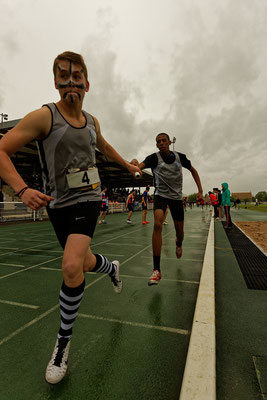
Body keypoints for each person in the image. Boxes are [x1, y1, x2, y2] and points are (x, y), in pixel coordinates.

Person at [0, 51, 141, 384]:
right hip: (57, 204)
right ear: (55, 82)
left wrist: (128, 167)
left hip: (89, 198)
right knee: (83, 261)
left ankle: (62, 345)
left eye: (77, 76)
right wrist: (21, 189)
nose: (70, 82)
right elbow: (2, 149)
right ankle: (111, 267)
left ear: (87, 83)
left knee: (70, 265)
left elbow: (103, 146)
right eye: (63, 76)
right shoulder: (44, 117)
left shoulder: (92, 122)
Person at [131, 132, 203, 285]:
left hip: (176, 197)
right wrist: (135, 164)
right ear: (156, 144)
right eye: (158, 141)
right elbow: (138, 168)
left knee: (180, 233)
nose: (161, 143)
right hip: (161, 196)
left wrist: (200, 191)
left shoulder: (180, 157)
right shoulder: (153, 158)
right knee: (157, 224)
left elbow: (193, 171)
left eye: (164, 140)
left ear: (169, 142)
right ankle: (156, 270)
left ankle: (178, 242)